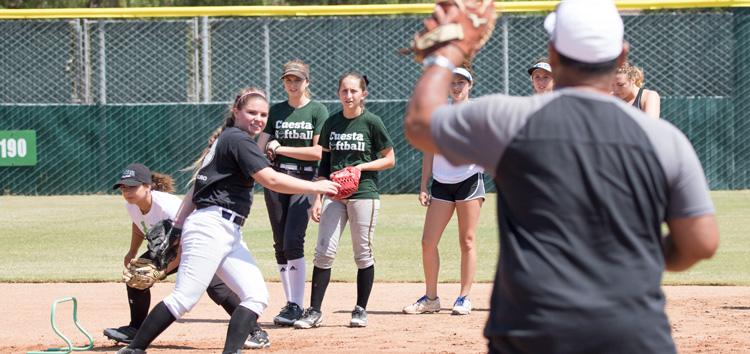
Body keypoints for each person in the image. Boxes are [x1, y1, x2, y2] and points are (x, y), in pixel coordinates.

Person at [404, 0, 719, 353]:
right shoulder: (663, 138)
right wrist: (633, 251)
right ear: (621, 56)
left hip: (532, 334)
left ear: (552, 54)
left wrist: (448, 53)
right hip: (634, 336)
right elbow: (701, 243)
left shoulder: (508, 120)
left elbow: (419, 125)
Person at [116, 88, 339, 354]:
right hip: (211, 227)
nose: (258, 118)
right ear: (236, 112)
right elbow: (270, 179)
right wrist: (317, 187)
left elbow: (192, 192)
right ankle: (134, 348)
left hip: (228, 230)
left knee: (256, 296)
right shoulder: (238, 140)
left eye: (263, 114)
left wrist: (176, 228)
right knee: (184, 298)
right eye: (251, 112)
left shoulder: (226, 140)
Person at [105, 163, 270, 349]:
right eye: (123, 187)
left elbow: (187, 242)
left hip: (198, 242)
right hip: (168, 248)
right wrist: (132, 252)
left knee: (216, 287)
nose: (127, 191)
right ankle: (136, 328)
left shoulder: (166, 206)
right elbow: (138, 225)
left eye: (132, 186)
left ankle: (256, 332)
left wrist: (162, 270)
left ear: (148, 185)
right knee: (137, 278)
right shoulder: (132, 205)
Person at [293, 72, 395, 329]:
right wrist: (317, 198)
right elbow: (324, 165)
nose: (348, 96)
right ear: (338, 93)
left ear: (363, 94)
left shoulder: (372, 122)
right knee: (323, 252)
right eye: (344, 91)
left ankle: (360, 309)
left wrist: (361, 167)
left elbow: (390, 158)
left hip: (364, 194)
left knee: (363, 253)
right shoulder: (332, 123)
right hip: (334, 195)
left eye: (353, 91)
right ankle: (314, 311)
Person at [403, 67, 484, 316]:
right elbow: (429, 150)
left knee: (467, 240)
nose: (457, 87)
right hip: (441, 182)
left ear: (470, 85)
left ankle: (464, 297)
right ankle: (431, 298)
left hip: (469, 181)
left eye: (462, 82)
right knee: (428, 241)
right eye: (453, 83)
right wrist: (423, 184)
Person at [256, 60, 329, 327]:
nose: (292, 84)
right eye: (288, 80)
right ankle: (290, 304)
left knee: (292, 240)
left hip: (304, 179)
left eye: (297, 80)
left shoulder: (317, 110)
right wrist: (265, 153)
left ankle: (297, 304)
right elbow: (261, 145)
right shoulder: (276, 111)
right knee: (279, 242)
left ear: (306, 82)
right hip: (276, 179)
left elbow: (317, 152)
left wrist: (282, 147)